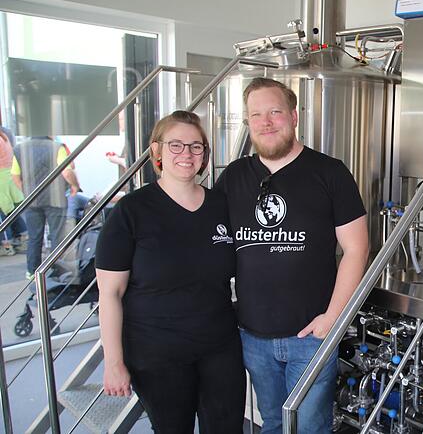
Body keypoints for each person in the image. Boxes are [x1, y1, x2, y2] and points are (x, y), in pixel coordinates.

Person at [216, 78, 369, 434]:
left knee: (310, 428)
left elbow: (357, 249)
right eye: (256, 115)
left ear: (294, 116)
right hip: (252, 334)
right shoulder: (234, 176)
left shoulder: (330, 172)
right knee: (272, 423)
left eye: (275, 112)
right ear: (248, 122)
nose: (266, 122)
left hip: (311, 334)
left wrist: (332, 319)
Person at [96, 111, 245, 433]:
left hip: (220, 346)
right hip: (155, 352)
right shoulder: (131, 211)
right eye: (175, 145)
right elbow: (110, 294)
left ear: (205, 154)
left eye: (196, 146)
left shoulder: (222, 205)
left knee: (227, 428)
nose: (186, 154)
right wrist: (113, 362)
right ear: (157, 151)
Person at [11, 135, 80, 276]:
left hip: (32, 200)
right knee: (57, 236)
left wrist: (26, 191)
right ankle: (56, 271)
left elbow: (15, 175)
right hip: (55, 199)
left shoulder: (19, 148)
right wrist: (75, 185)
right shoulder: (56, 147)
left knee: (34, 237)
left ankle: (32, 272)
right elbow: (67, 171)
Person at [0, 129, 26, 255]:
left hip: (1, 180)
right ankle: (23, 239)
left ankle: (7, 246)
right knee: (12, 212)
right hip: (8, 176)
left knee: (2, 215)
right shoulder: (4, 135)